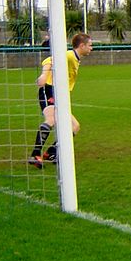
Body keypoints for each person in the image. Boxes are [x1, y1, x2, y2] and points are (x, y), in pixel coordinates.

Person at [28, 33, 93, 168]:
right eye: (90, 45)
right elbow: (48, 61)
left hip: (61, 95)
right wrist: (44, 75)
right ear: (82, 46)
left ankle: (51, 152)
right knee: (51, 119)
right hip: (49, 89)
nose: (91, 48)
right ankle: (35, 154)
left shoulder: (75, 58)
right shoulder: (69, 55)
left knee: (75, 127)